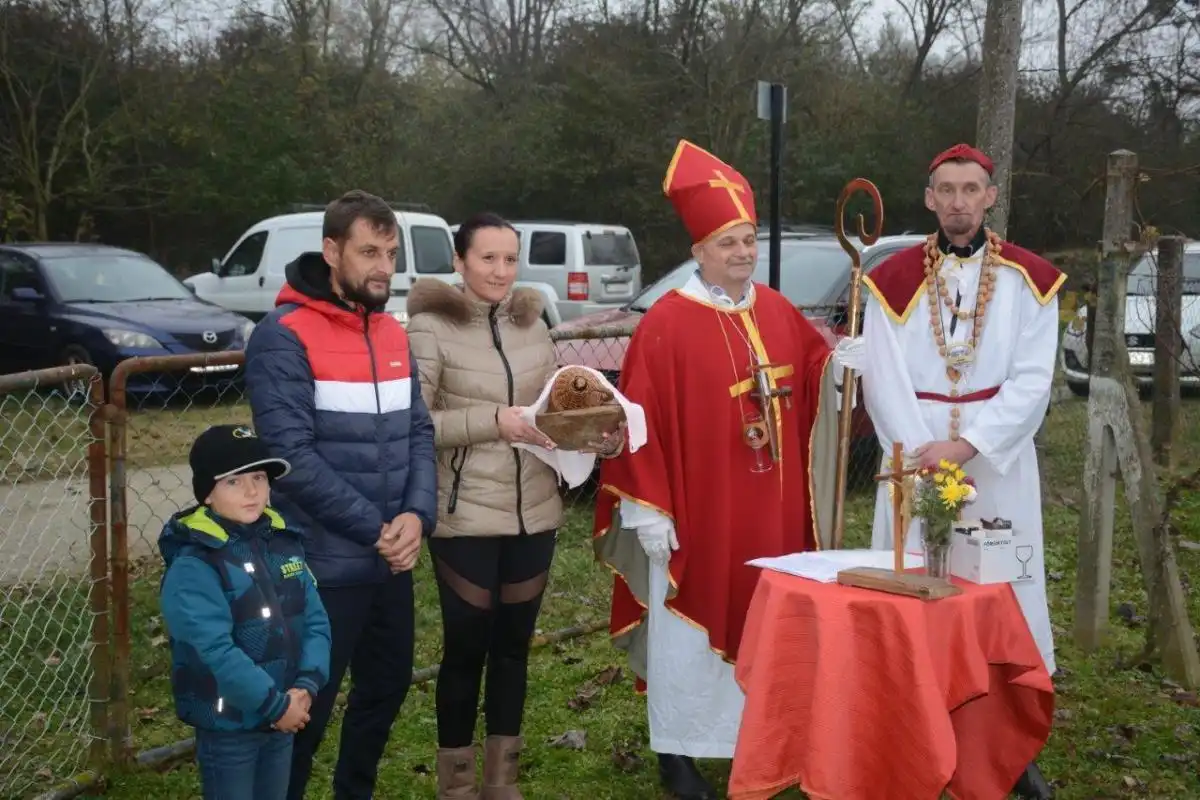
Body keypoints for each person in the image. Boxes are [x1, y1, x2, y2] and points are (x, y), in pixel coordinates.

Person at [593, 140, 848, 800]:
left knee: (768, 620)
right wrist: (646, 506)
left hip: (772, 516)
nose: (740, 252)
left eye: (747, 239)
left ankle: (756, 743)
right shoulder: (668, 325)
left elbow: (817, 376)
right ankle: (676, 753)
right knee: (689, 629)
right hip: (695, 515)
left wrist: (846, 368)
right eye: (726, 242)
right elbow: (638, 422)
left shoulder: (775, 308)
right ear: (698, 250)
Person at [856, 143, 1063, 800]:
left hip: (996, 464)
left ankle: (1008, 748)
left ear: (990, 196)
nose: (957, 202)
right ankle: (910, 735)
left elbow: (1032, 382)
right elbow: (881, 377)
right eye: (945, 189)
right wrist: (924, 451)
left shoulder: (1033, 280)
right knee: (912, 592)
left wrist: (969, 445)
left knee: (1002, 597)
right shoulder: (888, 280)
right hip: (913, 458)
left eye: (970, 189)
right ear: (928, 197)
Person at [405, 212, 623, 799]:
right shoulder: (428, 326)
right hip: (464, 514)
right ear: (459, 262)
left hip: (536, 510)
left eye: (509, 259)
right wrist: (494, 423)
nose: (501, 271)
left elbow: (556, 405)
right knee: (465, 650)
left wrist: (596, 430)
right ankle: (456, 785)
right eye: (487, 259)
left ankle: (503, 781)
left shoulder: (533, 322)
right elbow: (412, 423)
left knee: (512, 649)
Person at [244, 189, 438, 800]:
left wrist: (417, 514)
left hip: (388, 559)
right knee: (305, 711)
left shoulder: (390, 331)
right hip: (320, 565)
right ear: (331, 251)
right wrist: (375, 528)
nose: (384, 266)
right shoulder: (283, 334)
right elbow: (289, 457)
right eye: (368, 252)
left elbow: (419, 432)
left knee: (385, 687)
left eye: (391, 252)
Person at [158, 424, 331, 800]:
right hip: (230, 723)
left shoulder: (283, 543)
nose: (252, 490)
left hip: (285, 710)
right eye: (234, 482)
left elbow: (316, 619)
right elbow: (213, 650)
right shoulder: (196, 564)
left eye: (259, 477)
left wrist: (306, 686)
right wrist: (273, 704)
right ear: (207, 493)